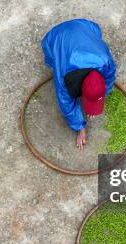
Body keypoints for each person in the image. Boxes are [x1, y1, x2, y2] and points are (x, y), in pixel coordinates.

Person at [41, 19, 116, 150]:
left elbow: (109, 78)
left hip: (87, 26)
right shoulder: (65, 78)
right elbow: (67, 105)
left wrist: (104, 92)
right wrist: (80, 128)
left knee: (95, 34)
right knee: (53, 60)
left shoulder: (105, 62)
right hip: (56, 36)